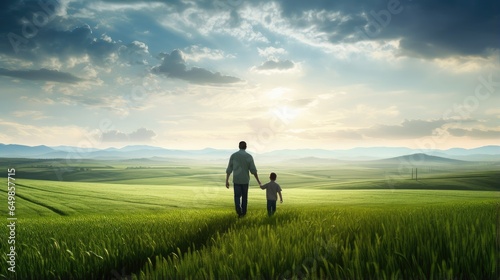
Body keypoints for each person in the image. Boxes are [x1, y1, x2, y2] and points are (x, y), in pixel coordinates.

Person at [226, 141, 262, 218]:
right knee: (245, 197)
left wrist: (227, 180)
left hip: (236, 180)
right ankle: (244, 213)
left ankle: (238, 211)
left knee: (237, 196)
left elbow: (229, 169)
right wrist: (258, 181)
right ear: (246, 147)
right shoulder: (249, 156)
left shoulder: (234, 156)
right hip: (245, 181)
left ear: (239, 146)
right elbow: (253, 170)